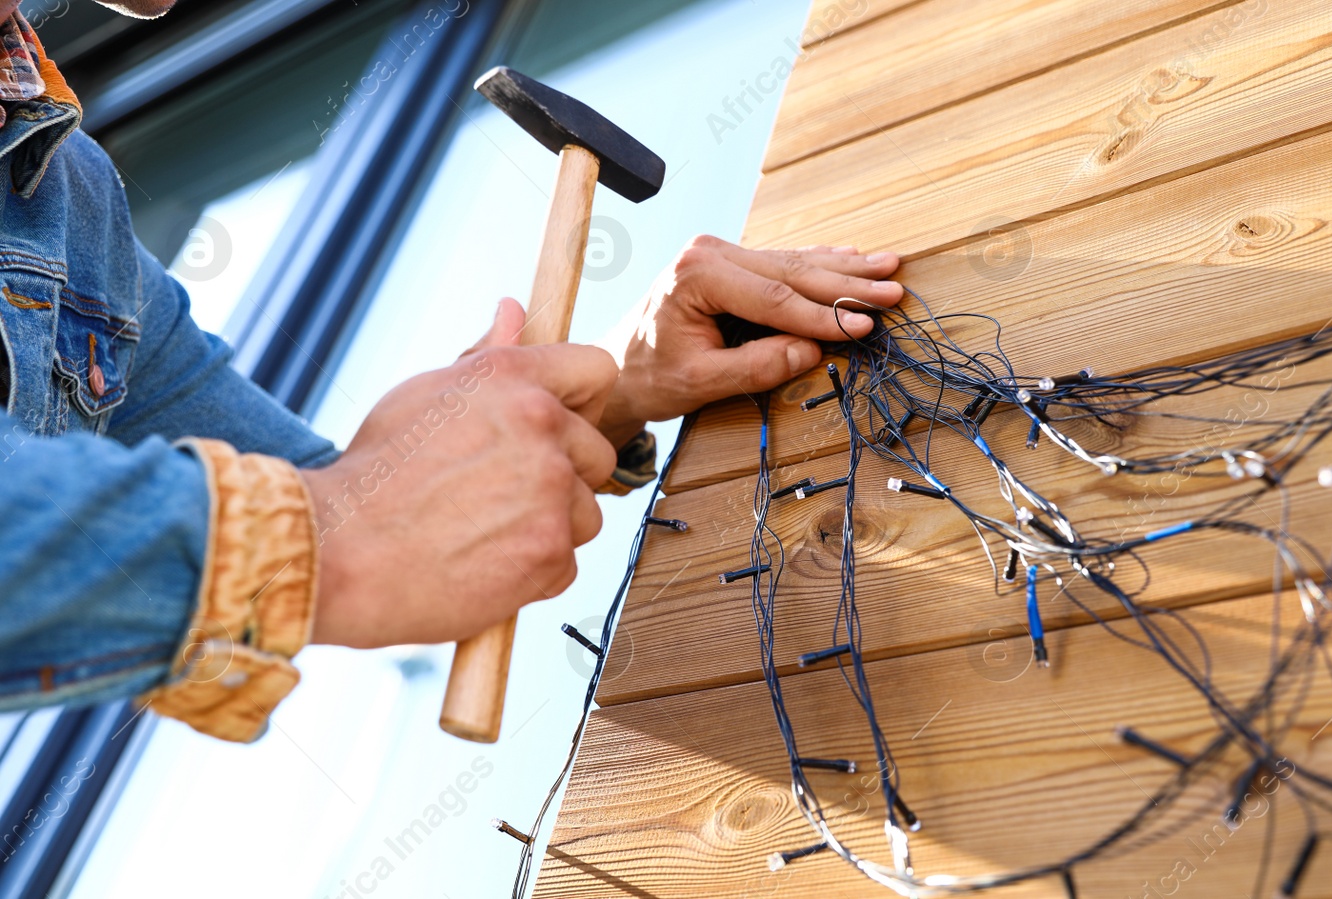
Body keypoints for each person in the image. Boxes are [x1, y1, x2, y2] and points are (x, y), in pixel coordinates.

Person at [0, 0, 902, 741]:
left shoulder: (73, 205)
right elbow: (338, 531)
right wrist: (327, 542)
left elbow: (361, 503)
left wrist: (614, 384)